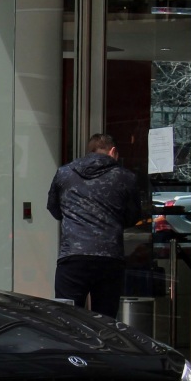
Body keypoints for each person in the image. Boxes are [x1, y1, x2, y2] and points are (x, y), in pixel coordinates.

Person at [47, 133, 142, 318]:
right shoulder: (125, 177)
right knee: (105, 320)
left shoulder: (64, 173)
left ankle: (72, 347)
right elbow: (133, 216)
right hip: (109, 257)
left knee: (68, 318)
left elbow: (54, 209)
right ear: (113, 151)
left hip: (73, 256)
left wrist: (74, 220)